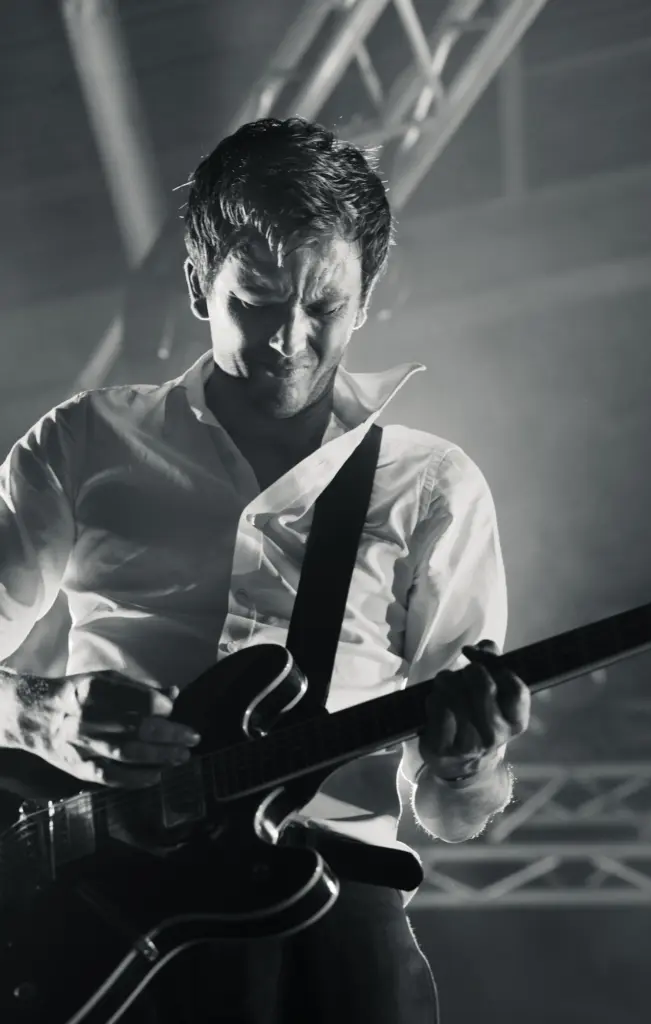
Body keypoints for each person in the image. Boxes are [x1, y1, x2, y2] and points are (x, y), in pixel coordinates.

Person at [0, 117, 531, 1023]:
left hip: (338, 906)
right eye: (256, 300)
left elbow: (454, 811)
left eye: (324, 307)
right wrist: (34, 713)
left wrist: (468, 757)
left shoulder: (433, 484)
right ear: (198, 284)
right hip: (105, 901)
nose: (290, 338)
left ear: (368, 298)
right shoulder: (84, 440)